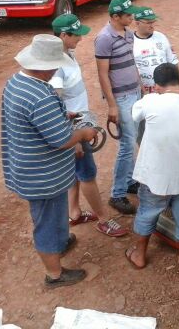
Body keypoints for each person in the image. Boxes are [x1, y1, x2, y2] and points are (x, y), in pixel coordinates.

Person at [1, 34, 98, 288]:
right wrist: (84, 134)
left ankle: (60, 242)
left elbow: (34, 118)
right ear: (46, 66)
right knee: (46, 220)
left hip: (30, 166)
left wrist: (61, 114)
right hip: (42, 175)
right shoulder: (41, 96)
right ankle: (54, 274)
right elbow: (62, 140)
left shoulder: (17, 82)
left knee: (54, 214)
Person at [125, 63, 179, 280]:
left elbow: (134, 116)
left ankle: (140, 255)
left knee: (147, 213)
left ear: (156, 86)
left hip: (154, 178)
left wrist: (150, 97)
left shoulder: (151, 100)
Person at [50, 14, 128, 238]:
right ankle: (103, 219)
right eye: (76, 35)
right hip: (73, 129)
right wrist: (71, 138)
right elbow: (56, 103)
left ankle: (74, 212)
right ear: (63, 35)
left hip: (79, 123)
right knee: (87, 174)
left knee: (75, 173)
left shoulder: (67, 53)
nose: (80, 39)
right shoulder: (56, 65)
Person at [95, 0, 143, 215]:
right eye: (128, 15)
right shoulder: (104, 38)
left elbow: (131, 62)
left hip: (134, 92)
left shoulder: (128, 34)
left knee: (133, 141)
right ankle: (117, 194)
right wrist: (112, 105)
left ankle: (130, 181)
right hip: (121, 98)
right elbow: (103, 75)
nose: (132, 18)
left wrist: (141, 87)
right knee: (127, 144)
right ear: (115, 17)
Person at [133, 7, 178, 93]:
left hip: (165, 89)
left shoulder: (161, 37)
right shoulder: (130, 41)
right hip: (142, 92)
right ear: (137, 23)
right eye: (148, 22)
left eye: (153, 22)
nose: (152, 25)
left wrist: (178, 85)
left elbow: (173, 62)